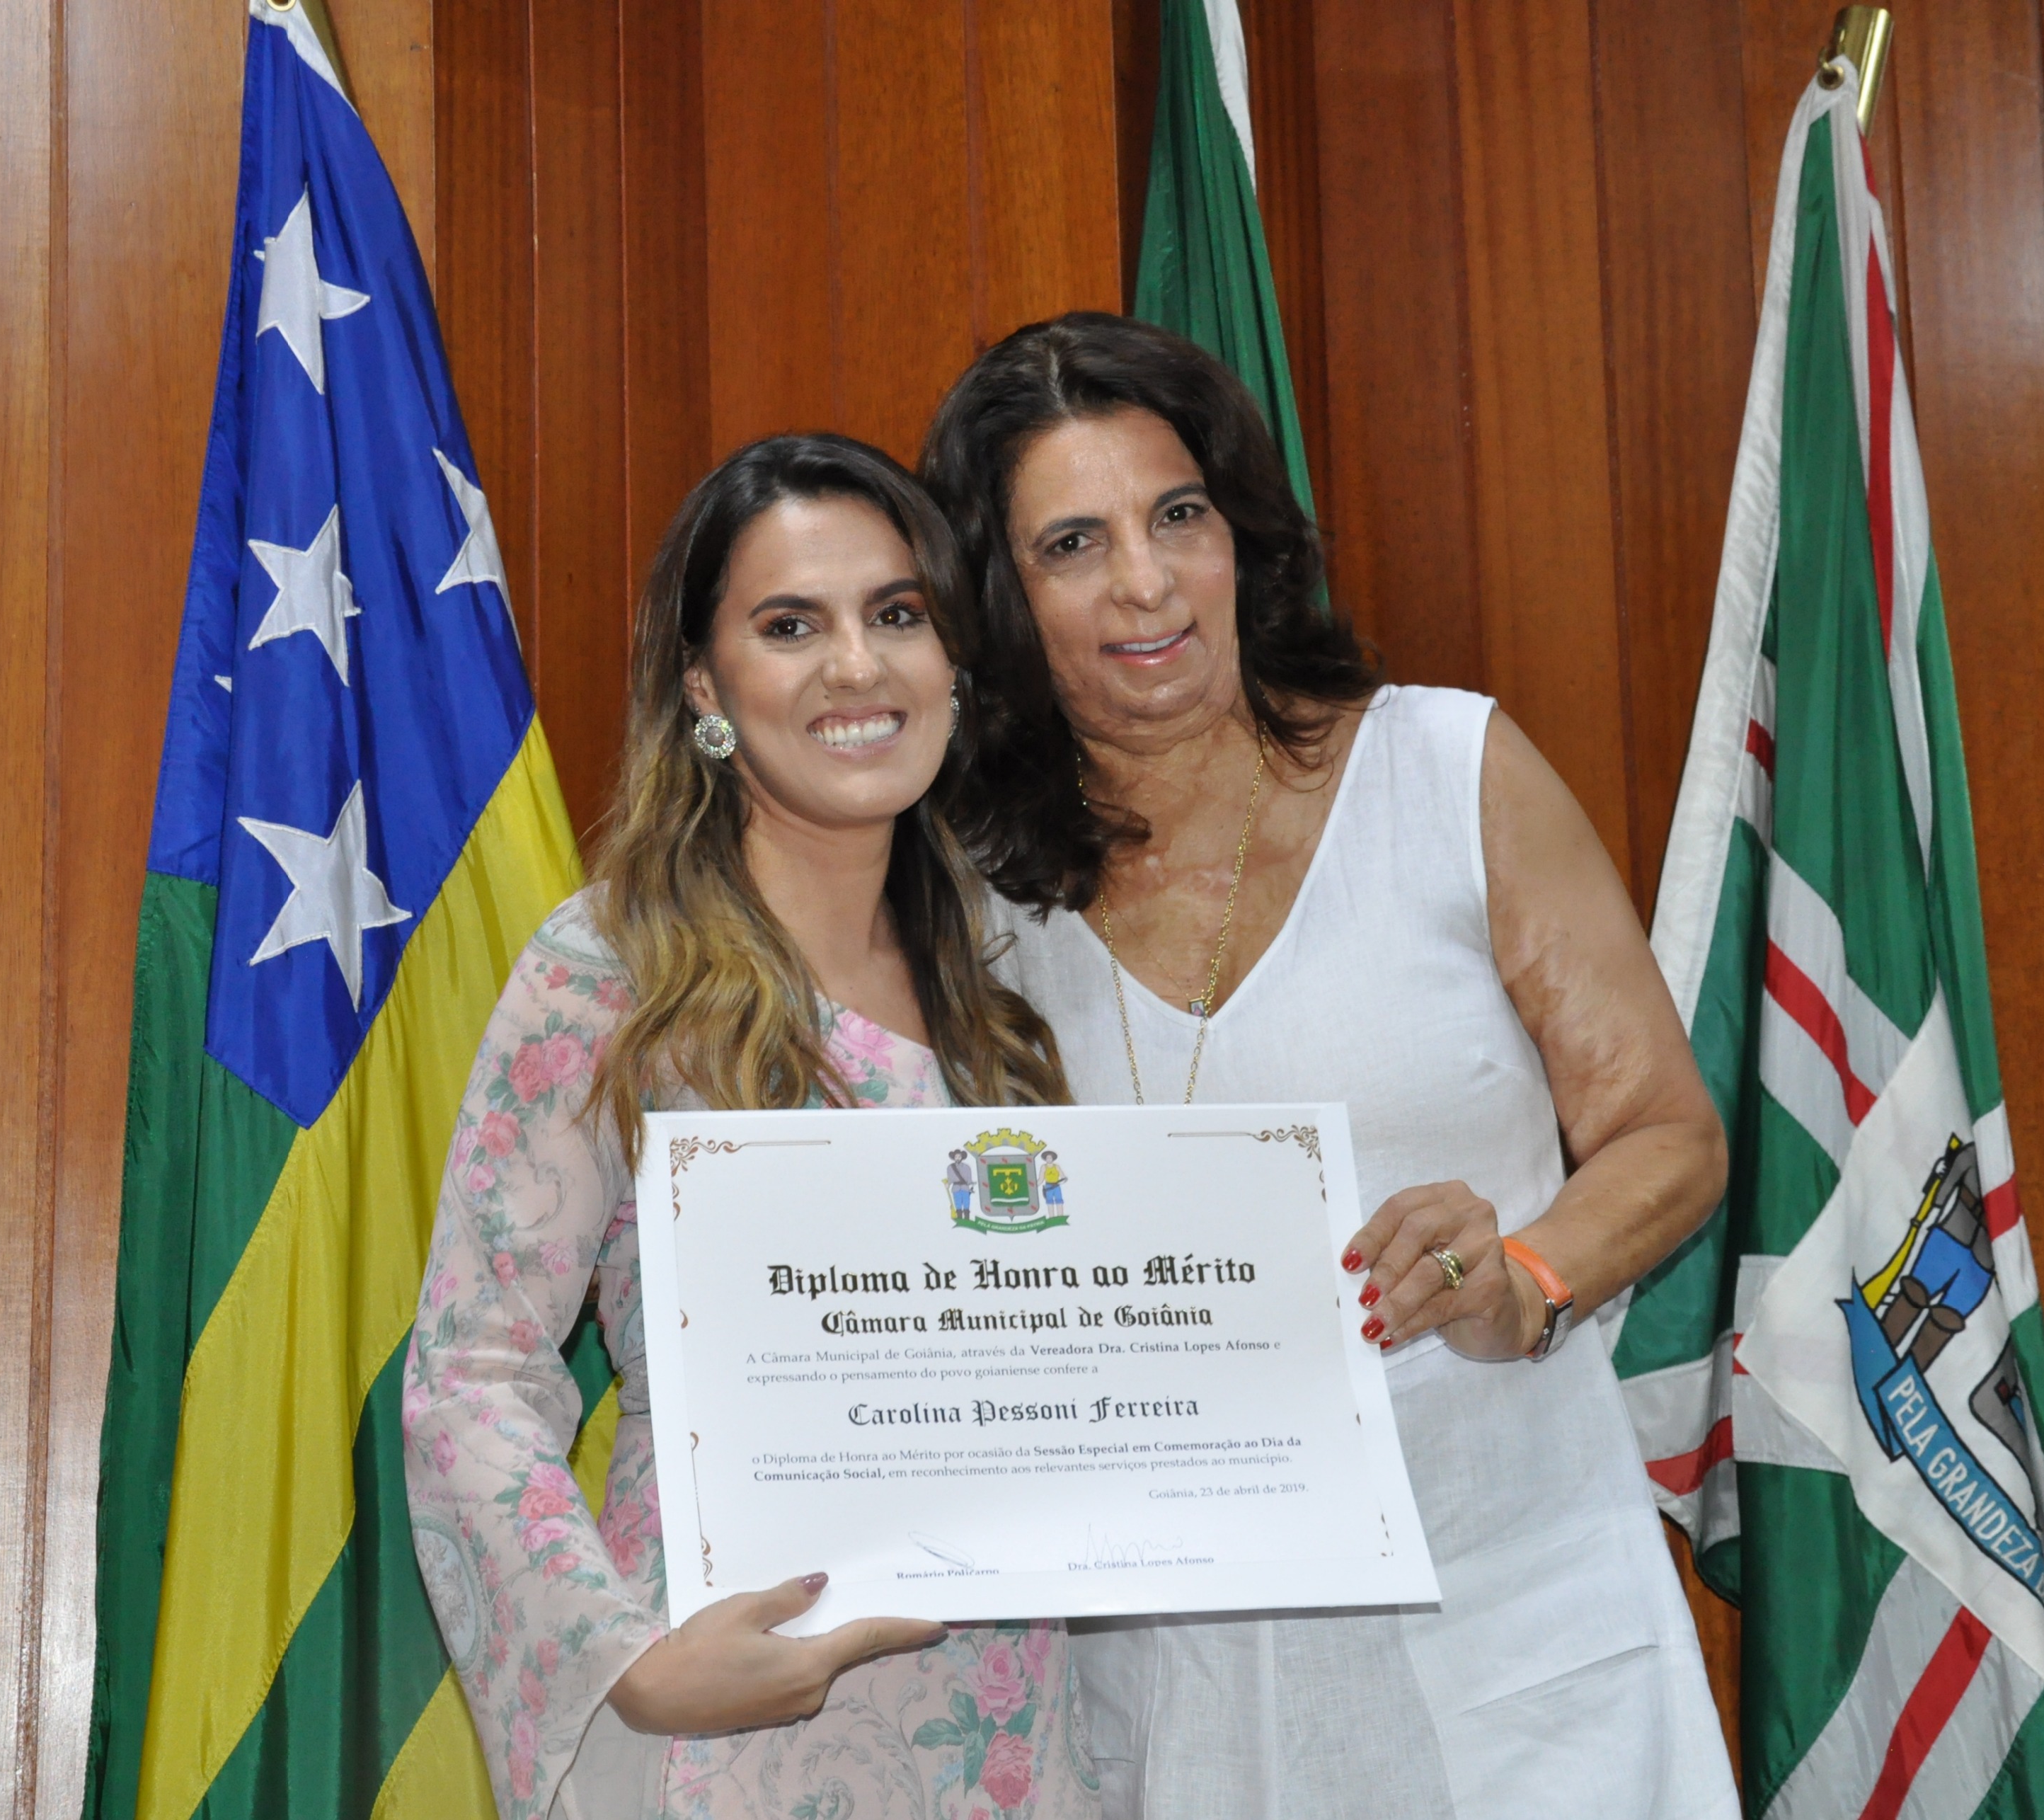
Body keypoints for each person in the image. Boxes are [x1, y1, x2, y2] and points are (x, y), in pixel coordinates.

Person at [920, 313, 1739, 1819]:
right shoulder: (961, 896)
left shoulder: (1446, 768)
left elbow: (1665, 1132)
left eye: (1179, 515)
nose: (1148, 581)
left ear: (1242, 532)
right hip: (1167, 1676)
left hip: (1512, 1612)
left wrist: (1526, 1278)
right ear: (998, 598)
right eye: (1073, 544)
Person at [403, 434, 1098, 1820]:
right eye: (790, 626)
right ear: (705, 688)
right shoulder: (615, 967)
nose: (856, 665)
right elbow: (474, 1366)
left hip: (1009, 1729)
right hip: (724, 1725)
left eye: (897, 613)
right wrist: (629, 1661)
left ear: (955, 662)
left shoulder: (1016, 984)